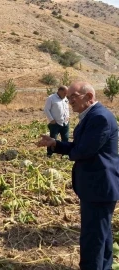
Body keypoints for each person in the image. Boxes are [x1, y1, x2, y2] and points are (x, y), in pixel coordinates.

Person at [36, 81, 119, 270]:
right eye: (68, 96)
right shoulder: (92, 116)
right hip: (98, 187)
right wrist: (55, 144)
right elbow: (81, 147)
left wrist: (71, 150)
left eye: (74, 96)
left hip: (99, 187)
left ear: (89, 97)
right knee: (101, 235)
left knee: (92, 239)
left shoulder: (100, 118)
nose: (69, 100)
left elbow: (83, 151)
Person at [43, 86, 70, 157]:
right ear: (59, 91)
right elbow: (46, 109)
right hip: (55, 123)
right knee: (52, 139)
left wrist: (68, 117)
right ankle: (49, 153)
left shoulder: (65, 99)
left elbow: (66, 109)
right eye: (64, 93)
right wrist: (51, 120)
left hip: (65, 123)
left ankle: (64, 154)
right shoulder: (51, 98)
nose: (66, 94)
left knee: (65, 138)